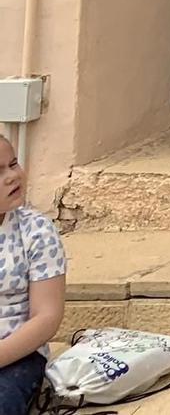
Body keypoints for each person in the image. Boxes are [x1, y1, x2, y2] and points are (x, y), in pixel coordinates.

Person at [0, 135, 65, 414]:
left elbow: (47, 317)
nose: (12, 176)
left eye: (13, 164)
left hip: (16, 356)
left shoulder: (35, 231)